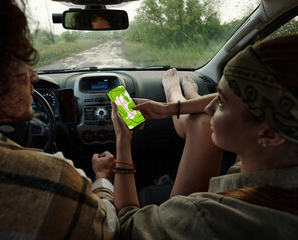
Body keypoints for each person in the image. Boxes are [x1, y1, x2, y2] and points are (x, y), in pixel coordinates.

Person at [0, 1, 119, 239]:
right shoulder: (50, 180)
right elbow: (109, 229)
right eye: (23, 62)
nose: (34, 77)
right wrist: (102, 177)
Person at [112, 34, 298, 239]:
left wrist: (122, 141)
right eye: (216, 96)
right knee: (202, 120)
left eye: (222, 103)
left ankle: (176, 92)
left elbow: (126, 226)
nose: (208, 106)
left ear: (268, 133)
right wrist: (169, 108)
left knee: (200, 121)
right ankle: (181, 96)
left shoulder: (203, 216)